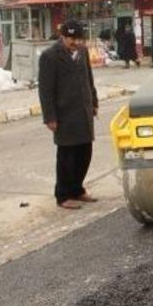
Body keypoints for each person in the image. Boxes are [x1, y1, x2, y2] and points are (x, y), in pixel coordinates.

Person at [38, 20, 99, 210]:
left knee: (84, 153)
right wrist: (50, 117)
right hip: (64, 113)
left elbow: (89, 78)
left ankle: (77, 189)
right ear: (62, 36)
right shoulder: (50, 56)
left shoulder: (82, 52)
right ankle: (63, 194)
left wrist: (94, 102)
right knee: (67, 156)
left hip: (83, 110)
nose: (75, 42)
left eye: (78, 38)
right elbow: (45, 90)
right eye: (71, 38)